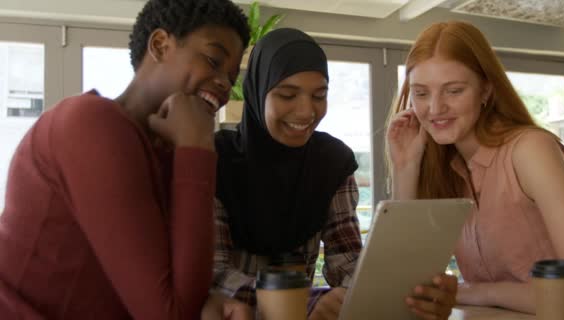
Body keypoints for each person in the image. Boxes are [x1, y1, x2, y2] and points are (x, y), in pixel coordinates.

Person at [0, 0, 253, 319]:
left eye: (231, 78)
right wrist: (197, 147)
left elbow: (180, 290)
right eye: (213, 60)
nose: (224, 85)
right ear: (160, 45)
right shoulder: (89, 123)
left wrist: (210, 299)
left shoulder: (165, 155)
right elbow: (172, 313)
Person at [213, 27, 457, 320]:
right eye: (287, 95)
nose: (306, 111)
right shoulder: (215, 160)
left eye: (319, 95)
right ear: (257, 91)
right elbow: (213, 275)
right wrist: (301, 300)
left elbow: (347, 261)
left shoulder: (331, 162)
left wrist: (384, 291)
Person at [386, 21, 564, 319]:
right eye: (421, 93)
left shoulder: (530, 150)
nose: (435, 108)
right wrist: (405, 169)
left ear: (486, 91)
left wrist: (476, 291)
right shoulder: (444, 168)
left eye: (453, 90)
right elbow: (406, 289)